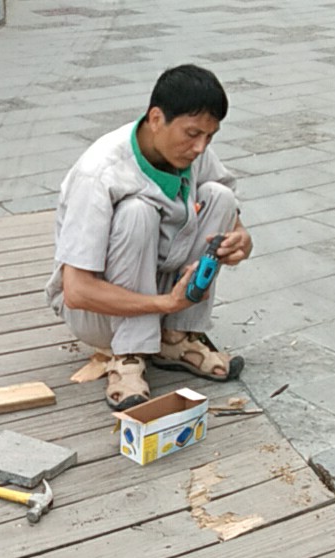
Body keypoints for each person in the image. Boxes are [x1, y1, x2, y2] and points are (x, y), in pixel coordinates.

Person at [45, 64, 253, 410]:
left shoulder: (192, 150)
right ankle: (129, 355)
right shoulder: (99, 172)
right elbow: (77, 291)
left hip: (160, 289)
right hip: (99, 314)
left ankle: (176, 337)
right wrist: (165, 304)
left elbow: (231, 213)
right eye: (192, 134)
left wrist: (241, 240)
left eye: (210, 136)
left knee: (221, 197)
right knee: (136, 212)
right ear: (156, 119)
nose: (200, 147)